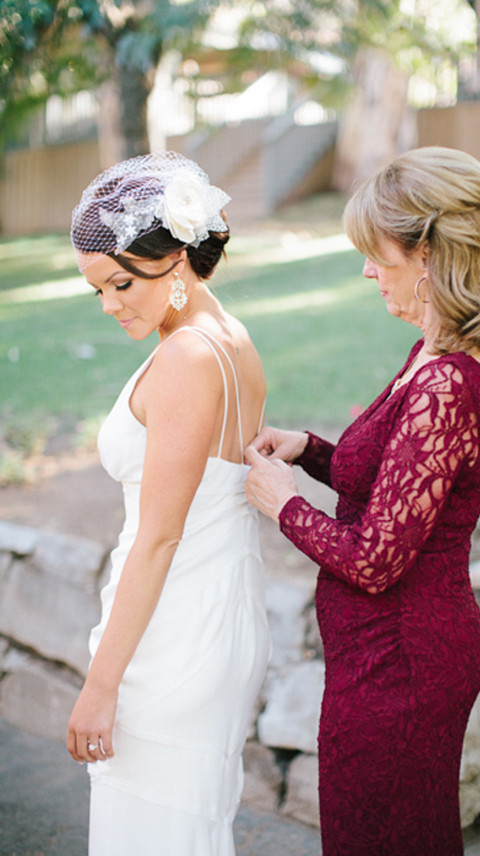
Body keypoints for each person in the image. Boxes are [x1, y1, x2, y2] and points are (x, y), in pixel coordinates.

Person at [245, 146, 480, 856]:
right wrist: (307, 451)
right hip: (381, 658)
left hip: (402, 666)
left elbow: (374, 559)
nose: (368, 270)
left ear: (428, 253)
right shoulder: (433, 354)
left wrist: (284, 506)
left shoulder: (452, 386)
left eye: (378, 253)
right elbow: (396, 494)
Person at [66, 151, 271, 856]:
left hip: (174, 631)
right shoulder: (232, 340)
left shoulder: (186, 358)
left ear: (176, 258)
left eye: (120, 283)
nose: (110, 304)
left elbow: (158, 538)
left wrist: (100, 685)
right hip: (213, 612)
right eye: (96, 290)